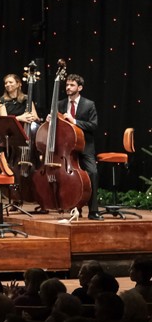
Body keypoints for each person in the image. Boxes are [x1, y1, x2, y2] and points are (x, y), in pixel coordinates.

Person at [61, 73, 101, 219]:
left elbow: (93, 125)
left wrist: (74, 121)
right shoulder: (60, 104)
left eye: (72, 85)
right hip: (66, 148)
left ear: (80, 87)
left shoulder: (89, 104)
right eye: (67, 85)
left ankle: (93, 210)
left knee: (92, 173)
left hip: (85, 146)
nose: (68, 87)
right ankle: (72, 207)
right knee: (66, 176)